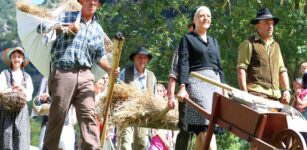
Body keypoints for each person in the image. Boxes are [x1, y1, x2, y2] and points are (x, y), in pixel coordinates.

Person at [39, 0, 119, 149]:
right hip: (64, 72)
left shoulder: (98, 29)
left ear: (99, 5)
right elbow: (41, 27)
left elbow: (100, 56)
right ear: (81, 1)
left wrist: (109, 69)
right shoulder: (67, 16)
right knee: (58, 118)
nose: (93, 2)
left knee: (89, 116)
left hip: (86, 75)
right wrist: (66, 28)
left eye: (97, 0)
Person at [176, 6, 225, 150]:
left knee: (201, 133)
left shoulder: (214, 41)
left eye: (208, 16)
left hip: (214, 86)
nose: (206, 18)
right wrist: (182, 87)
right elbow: (183, 64)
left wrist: (224, 89)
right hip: (197, 85)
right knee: (205, 126)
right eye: (202, 15)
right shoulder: (187, 39)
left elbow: (219, 67)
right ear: (194, 20)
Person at [237, 8, 291, 104]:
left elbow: (282, 70)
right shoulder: (249, 43)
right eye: (266, 23)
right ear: (258, 25)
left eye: (272, 24)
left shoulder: (276, 46)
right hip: (257, 94)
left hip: (275, 97)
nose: (270, 26)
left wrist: (286, 90)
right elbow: (241, 68)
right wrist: (244, 93)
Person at [119, 47, 157, 150]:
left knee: (142, 144)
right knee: (126, 144)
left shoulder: (151, 76)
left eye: (145, 58)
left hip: (143, 115)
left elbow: (154, 98)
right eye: (140, 58)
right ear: (134, 59)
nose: (142, 60)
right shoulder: (125, 72)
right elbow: (118, 92)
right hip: (127, 114)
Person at [0, 47, 34, 149]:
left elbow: (29, 95)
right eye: (14, 57)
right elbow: (1, 90)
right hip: (6, 110)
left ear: (23, 59)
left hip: (21, 111)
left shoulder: (26, 76)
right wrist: (11, 89)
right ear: (10, 59)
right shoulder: (4, 74)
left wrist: (21, 89)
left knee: (21, 136)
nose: (16, 59)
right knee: (7, 136)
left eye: (19, 57)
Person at [167, 23, 194, 150]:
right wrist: (170, 97)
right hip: (186, 95)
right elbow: (173, 73)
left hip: (202, 96)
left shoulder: (207, 46)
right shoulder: (182, 47)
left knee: (200, 132)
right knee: (185, 129)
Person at [32, 77, 77, 150]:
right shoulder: (46, 78)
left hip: (65, 121)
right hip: (48, 119)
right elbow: (38, 99)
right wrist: (43, 98)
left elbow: (74, 100)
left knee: (66, 146)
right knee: (43, 146)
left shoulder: (70, 77)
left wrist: (73, 119)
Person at [292, 61, 307, 144]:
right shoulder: (301, 91)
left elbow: (301, 105)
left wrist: (297, 96)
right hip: (299, 122)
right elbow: (292, 106)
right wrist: (296, 96)